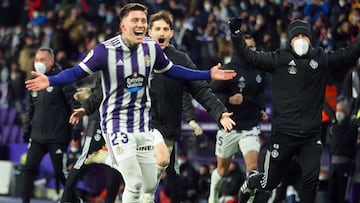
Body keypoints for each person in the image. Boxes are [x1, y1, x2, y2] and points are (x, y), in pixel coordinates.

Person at [24, 3, 236, 202]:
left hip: (144, 126)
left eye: (143, 20)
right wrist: (50, 80)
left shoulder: (151, 48)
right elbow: (76, 72)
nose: (140, 24)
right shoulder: (104, 51)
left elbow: (173, 70)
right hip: (116, 125)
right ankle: (110, 158)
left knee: (150, 184)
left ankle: (109, 158)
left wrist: (208, 73)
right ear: (123, 26)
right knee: (133, 183)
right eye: (135, 20)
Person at [228, 17, 360, 203]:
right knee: (269, 182)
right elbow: (249, 56)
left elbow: (350, 54)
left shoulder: (321, 58)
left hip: (311, 136)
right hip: (284, 134)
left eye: (304, 36)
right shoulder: (278, 58)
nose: (300, 39)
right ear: (289, 40)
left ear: (310, 40)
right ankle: (251, 182)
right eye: (296, 35)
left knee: (310, 184)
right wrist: (236, 33)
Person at [144, 10, 235, 203]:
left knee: (170, 177)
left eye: (165, 29)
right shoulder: (136, 58)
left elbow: (200, 90)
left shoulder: (180, 60)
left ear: (171, 33)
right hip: (141, 129)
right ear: (149, 32)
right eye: (157, 28)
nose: (161, 32)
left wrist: (220, 113)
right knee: (142, 181)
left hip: (169, 130)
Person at [208, 34, 269, 203]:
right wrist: (229, 99)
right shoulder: (229, 69)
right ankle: (213, 196)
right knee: (222, 169)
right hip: (229, 127)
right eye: (248, 47)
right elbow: (210, 94)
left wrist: (262, 109)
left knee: (253, 169)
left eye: (253, 47)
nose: (252, 50)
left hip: (250, 128)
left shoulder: (259, 69)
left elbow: (260, 92)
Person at [21, 47, 80, 203]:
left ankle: (76, 200)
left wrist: (76, 129)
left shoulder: (63, 78)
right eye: (37, 60)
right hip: (37, 136)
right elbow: (30, 109)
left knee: (61, 173)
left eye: (43, 60)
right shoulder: (33, 81)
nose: (38, 63)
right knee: (28, 170)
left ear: (52, 61)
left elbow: (74, 104)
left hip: (57, 136)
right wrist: (27, 130)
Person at [61, 78, 122, 203]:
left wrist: (91, 92)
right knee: (84, 159)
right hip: (101, 119)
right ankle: (65, 199)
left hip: (120, 122)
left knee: (117, 164)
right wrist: (92, 93)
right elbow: (103, 86)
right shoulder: (109, 61)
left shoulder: (135, 66)